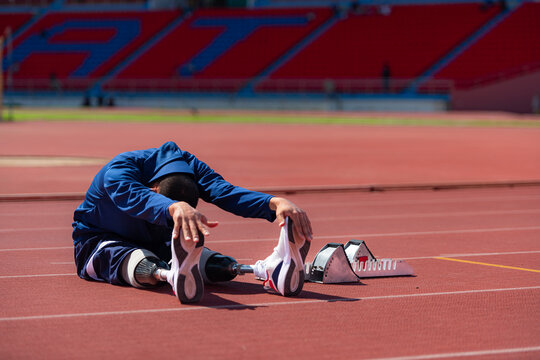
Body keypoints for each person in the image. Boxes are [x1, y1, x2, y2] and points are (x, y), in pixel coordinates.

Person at [72, 141, 313, 303]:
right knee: (136, 258)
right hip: (100, 241)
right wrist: (173, 208)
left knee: (214, 263)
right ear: (154, 189)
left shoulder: (190, 168)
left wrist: (274, 203)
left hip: (161, 241)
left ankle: (267, 270)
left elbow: (224, 191)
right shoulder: (118, 171)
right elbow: (134, 197)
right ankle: (166, 274)